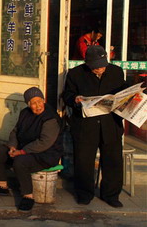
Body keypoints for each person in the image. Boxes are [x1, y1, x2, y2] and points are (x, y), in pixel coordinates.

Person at [62, 45, 127, 208]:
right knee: (83, 162)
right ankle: (84, 194)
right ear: (88, 64)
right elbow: (67, 95)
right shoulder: (75, 74)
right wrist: (75, 100)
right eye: (96, 68)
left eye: (103, 66)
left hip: (110, 125)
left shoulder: (116, 72)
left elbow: (124, 93)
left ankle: (111, 195)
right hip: (85, 126)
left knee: (113, 162)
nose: (100, 70)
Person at [0, 87, 63, 212]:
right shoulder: (25, 113)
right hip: (24, 149)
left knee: (20, 161)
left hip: (45, 154)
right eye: (33, 103)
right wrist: (12, 146)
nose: (38, 106)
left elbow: (44, 142)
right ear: (28, 104)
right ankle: (2, 186)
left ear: (43, 100)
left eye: (40, 102)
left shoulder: (50, 118)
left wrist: (21, 151)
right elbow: (15, 131)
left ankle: (28, 196)